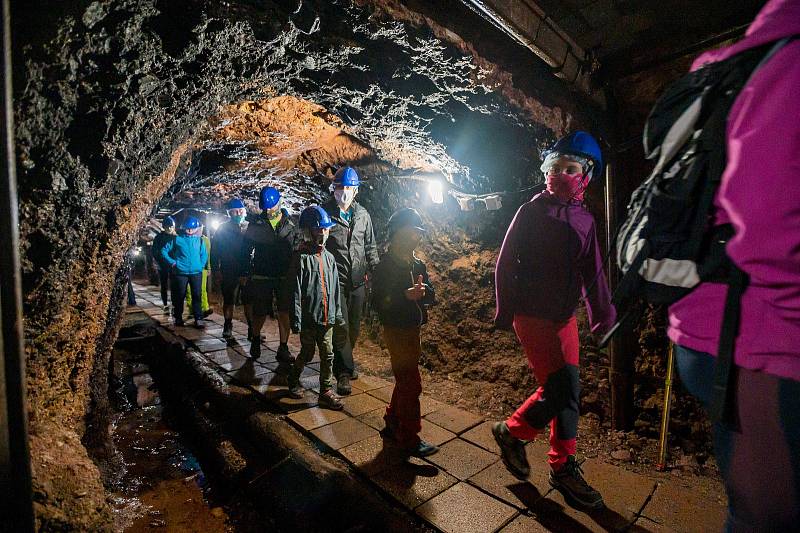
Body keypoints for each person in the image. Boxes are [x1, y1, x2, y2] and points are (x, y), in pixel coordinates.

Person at [666, 0, 800, 528]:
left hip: (724, 327)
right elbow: (771, 224)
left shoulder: (749, 66)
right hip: (757, 342)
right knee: (768, 518)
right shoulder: (787, 63)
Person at [492, 132, 615, 510]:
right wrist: (504, 309)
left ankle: (562, 468)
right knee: (559, 389)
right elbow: (505, 260)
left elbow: (593, 273)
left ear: (585, 176)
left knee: (569, 394)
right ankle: (512, 432)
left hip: (563, 318)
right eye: (556, 167)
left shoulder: (585, 220)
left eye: (570, 168)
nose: (561, 174)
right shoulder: (531, 211)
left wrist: (602, 318)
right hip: (531, 316)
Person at [371, 207, 439, 458]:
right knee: (411, 383)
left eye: (418, 232)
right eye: (411, 232)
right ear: (398, 234)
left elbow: (431, 294)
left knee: (404, 380)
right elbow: (378, 302)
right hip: (396, 330)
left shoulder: (418, 264)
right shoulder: (385, 266)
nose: (416, 237)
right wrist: (403, 296)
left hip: (413, 329)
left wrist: (424, 294)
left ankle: (392, 421)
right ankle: (409, 436)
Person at [322, 166, 380, 396]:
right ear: (333, 189)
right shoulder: (325, 214)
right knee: (342, 326)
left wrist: (377, 272)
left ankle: (344, 360)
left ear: (356, 191)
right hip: (336, 282)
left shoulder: (363, 216)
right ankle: (343, 373)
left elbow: (370, 247)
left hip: (358, 282)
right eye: (340, 187)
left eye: (348, 188)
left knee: (354, 326)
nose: (344, 192)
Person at [286, 206, 345, 411]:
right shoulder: (300, 259)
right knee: (308, 352)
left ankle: (325, 392)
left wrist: (337, 314)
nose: (323, 233)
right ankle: (293, 379)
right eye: (319, 229)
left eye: (325, 229)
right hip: (310, 318)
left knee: (328, 354)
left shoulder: (329, 258)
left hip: (327, 317)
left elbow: (335, 288)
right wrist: (297, 320)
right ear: (308, 231)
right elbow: (294, 292)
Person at [240, 187, 298, 361]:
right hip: (261, 274)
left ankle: (283, 347)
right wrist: (244, 272)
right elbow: (245, 250)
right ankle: (256, 339)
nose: (269, 210)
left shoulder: (290, 224)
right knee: (260, 311)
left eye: (272, 206)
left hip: (283, 275)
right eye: (266, 207)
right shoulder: (256, 224)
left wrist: (295, 272)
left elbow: (296, 249)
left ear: (279, 202)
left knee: (284, 311)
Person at [160, 216, 209, 329]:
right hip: (181, 273)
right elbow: (164, 251)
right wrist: (173, 262)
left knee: (197, 295)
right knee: (180, 296)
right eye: (188, 228)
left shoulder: (200, 240)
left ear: (196, 228)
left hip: (196, 273)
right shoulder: (177, 239)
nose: (190, 230)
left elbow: (204, 254)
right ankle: (178, 318)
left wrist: (200, 265)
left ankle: (198, 318)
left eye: (192, 228)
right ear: (184, 228)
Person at [212, 198, 250, 338]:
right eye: (234, 212)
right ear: (230, 214)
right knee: (229, 300)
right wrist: (216, 269)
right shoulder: (222, 229)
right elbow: (215, 251)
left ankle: (252, 329)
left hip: (247, 270)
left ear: (244, 211)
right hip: (228, 270)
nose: (238, 214)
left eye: (240, 211)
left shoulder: (250, 227)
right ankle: (227, 325)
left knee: (249, 301)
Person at [186, 224, 212, 317]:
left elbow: (208, 254)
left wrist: (208, 267)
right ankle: (192, 309)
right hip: (191, 268)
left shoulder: (205, 240)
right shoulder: (188, 239)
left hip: (202, 268)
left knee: (202, 289)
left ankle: (205, 308)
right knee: (190, 290)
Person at [152, 216, 177, 311]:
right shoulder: (158, 238)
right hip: (162, 265)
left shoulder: (175, 237)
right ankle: (165, 303)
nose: (170, 228)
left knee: (174, 286)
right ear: (164, 227)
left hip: (173, 265)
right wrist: (159, 261)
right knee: (164, 285)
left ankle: (174, 304)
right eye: (168, 226)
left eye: (171, 226)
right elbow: (154, 251)